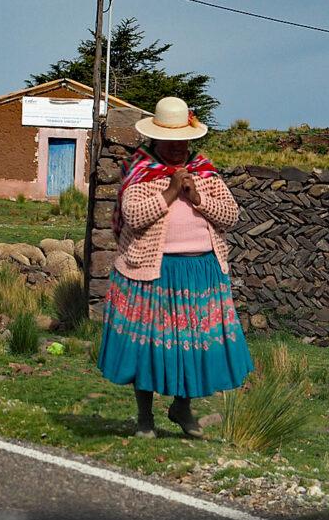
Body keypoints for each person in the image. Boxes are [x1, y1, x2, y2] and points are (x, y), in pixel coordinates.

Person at [95, 94, 253, 438]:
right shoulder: (141, 172)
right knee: (149, 347)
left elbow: (230, 215)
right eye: (172, 142)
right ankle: (144, 417)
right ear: (157, 139)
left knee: (191, 345)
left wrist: (197, 197)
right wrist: (169, 192)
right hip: (153, 272)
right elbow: (134, 217)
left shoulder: (204, 172)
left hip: (201, 270)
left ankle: (182, 407)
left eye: (184, 141)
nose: (179, 148)